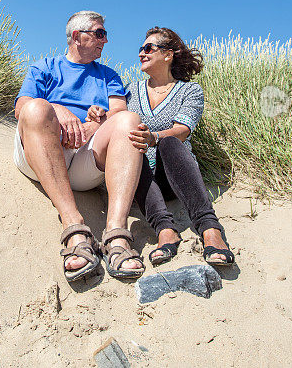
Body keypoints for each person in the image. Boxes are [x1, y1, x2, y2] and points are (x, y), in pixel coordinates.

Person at [13, 11, 146, 282]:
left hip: (85, 161)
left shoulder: (109, 75)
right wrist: (58, 109)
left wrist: (97, 123)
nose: (105, 41)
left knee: (129, 120)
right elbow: (20, 108)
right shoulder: (45, 67)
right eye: (99, 33)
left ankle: (117, 236)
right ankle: (74, 227)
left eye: (105, 34)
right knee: (37, 107)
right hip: (41, 156)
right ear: (77, 36)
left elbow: (118, 113)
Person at [87, 27, 234, 266]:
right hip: (138, 180)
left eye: (148, 48)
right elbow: (117, 124)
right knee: (132, 144)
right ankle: (165, 229)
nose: (141, 54)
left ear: (168, 55)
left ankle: (210, 228)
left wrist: (154, 137)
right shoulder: (132, 91)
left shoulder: (190, 91)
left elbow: (183, 130)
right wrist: (99, 114)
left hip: (173, 176)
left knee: (169, 143)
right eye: (140, 50)